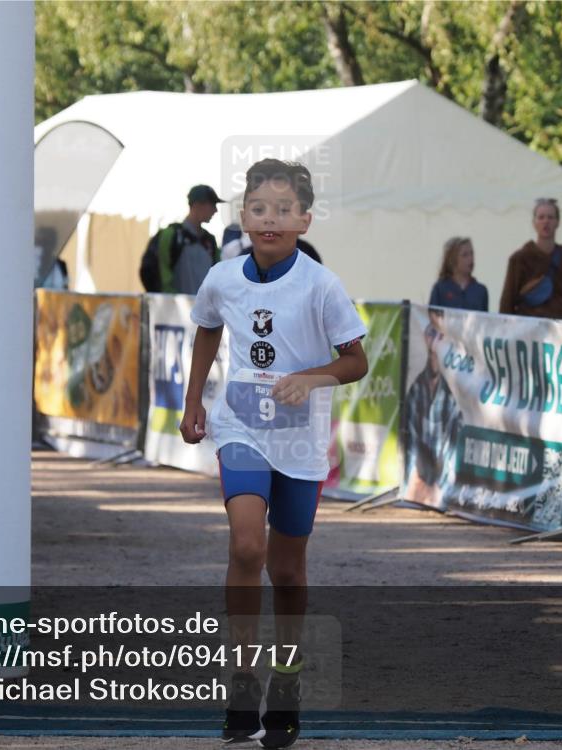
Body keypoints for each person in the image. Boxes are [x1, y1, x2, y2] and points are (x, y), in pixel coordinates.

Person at [180, 159, 368, 748]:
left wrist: (311, 379)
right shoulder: (223, 276)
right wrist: (194, 404)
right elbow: (207, 328)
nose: (270, 220)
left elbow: (356, 360)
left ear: (304, 219)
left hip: (299, 439)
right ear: (244, 216)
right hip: (241, 426)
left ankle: (285, 680)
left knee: (286, 569)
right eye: (259, 209)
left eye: (283, 210)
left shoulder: (321, 284)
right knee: (246, 544)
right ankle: (241, 678)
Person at [403, 309, 463, 506]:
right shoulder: (416, 389)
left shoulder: (451, 397)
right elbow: (409, 440)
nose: (435, 342)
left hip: (439, 484)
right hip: (419, 479)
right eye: (431, 333)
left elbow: (453, 448)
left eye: (440, 335)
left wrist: (442, 485)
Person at [499, 198, 562, 320]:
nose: (546, 222)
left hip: (560, 330)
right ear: (534, 222)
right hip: (528, 330)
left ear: (557, 222)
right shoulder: (519, 259)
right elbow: (507, 302)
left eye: (550, 217)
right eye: (541, 217)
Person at [139, 184, 223, 294]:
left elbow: (217, 278)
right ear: (197, 205)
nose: (215, 210)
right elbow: (160, 275)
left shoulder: (210, 241)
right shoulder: (171, 235)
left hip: (204, 309)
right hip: (174, 308)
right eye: (212, 204)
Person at [428, 236, 488, 311]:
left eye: (472, 254)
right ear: (453, 260)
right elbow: (432, 316)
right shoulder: (440, 288)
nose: (471, 258)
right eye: (465, 255)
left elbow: (484, 320)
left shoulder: (480, 290)